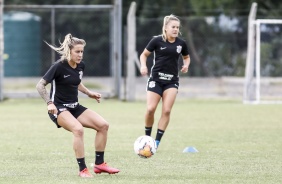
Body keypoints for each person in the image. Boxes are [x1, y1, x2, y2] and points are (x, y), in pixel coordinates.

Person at [36, 33, 119, 178]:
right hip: (59, 108)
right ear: (69, 51)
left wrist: (89, 93)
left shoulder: (81, 66)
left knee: (103, 125)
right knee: (78, 129)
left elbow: (76, 81)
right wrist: (49, 103)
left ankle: (99, 164)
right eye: (77, 52)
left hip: (74, 107)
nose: (80, 55)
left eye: (82, 52)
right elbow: (40, 85)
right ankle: (83, 170)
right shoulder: (58, 66)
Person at [139, 15, 190, 148]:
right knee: (150, 109)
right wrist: (143, 66)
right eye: (173, 27)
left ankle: (156, 142)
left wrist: (186, 65)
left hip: (171, 82)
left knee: (166, 111)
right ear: (166, 28)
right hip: (156, 80)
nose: (175, 29)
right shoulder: (156, 40)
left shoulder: (181, 43)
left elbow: (187, 57)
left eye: (177, 27)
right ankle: (147, 138)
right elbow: (144, 55)